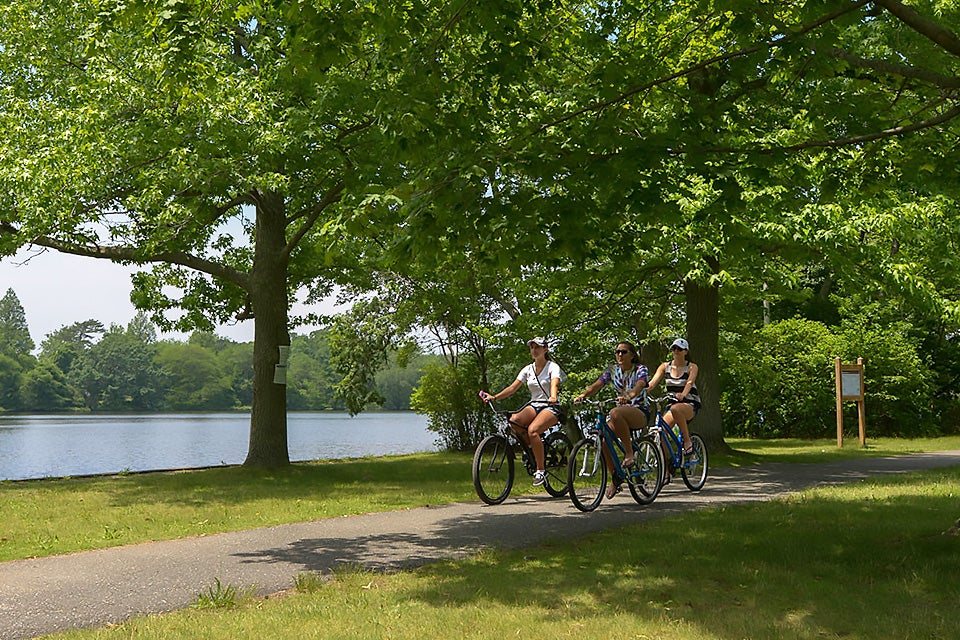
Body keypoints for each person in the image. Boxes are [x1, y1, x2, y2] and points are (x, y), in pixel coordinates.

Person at [479, 337, 564, 487]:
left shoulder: (552, 367)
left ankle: (541, 470)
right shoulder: (528, 369)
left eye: (537, 347)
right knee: (514, 422)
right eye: (532, 347)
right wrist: (495, 397)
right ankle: (531, 449)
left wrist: (553, 396)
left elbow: (554, 384)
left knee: (533, 430)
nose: (534, 350)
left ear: (545, 349)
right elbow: (512, 388)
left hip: (550, 406)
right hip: (534, 405)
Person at [573, 341, 649, 499]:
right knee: (603, 439)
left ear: (632, 355)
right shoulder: (612, 370)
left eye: (624, 352)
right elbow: (597, 385)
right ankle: (615, 477)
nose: (619, 354)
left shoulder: (640, 369)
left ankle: (629, 454)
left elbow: (640, 385)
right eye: (617, 352)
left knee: (615, 412)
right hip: (620, 414)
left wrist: (629, 396)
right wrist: (583, 395)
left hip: (639, 411)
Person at [646, 338, 700, 480]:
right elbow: (652, 383)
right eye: (674, 348)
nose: (676, 351)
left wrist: (683, 394)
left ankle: (687, 441)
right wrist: (640, 391)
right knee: (660, 432)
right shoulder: (665, 366)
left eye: (679, 349)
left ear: (685, 352)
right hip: (672, 405)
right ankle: (666, 471)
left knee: (676, 409)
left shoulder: (692, 367)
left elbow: (690, 382)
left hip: (689, 404)